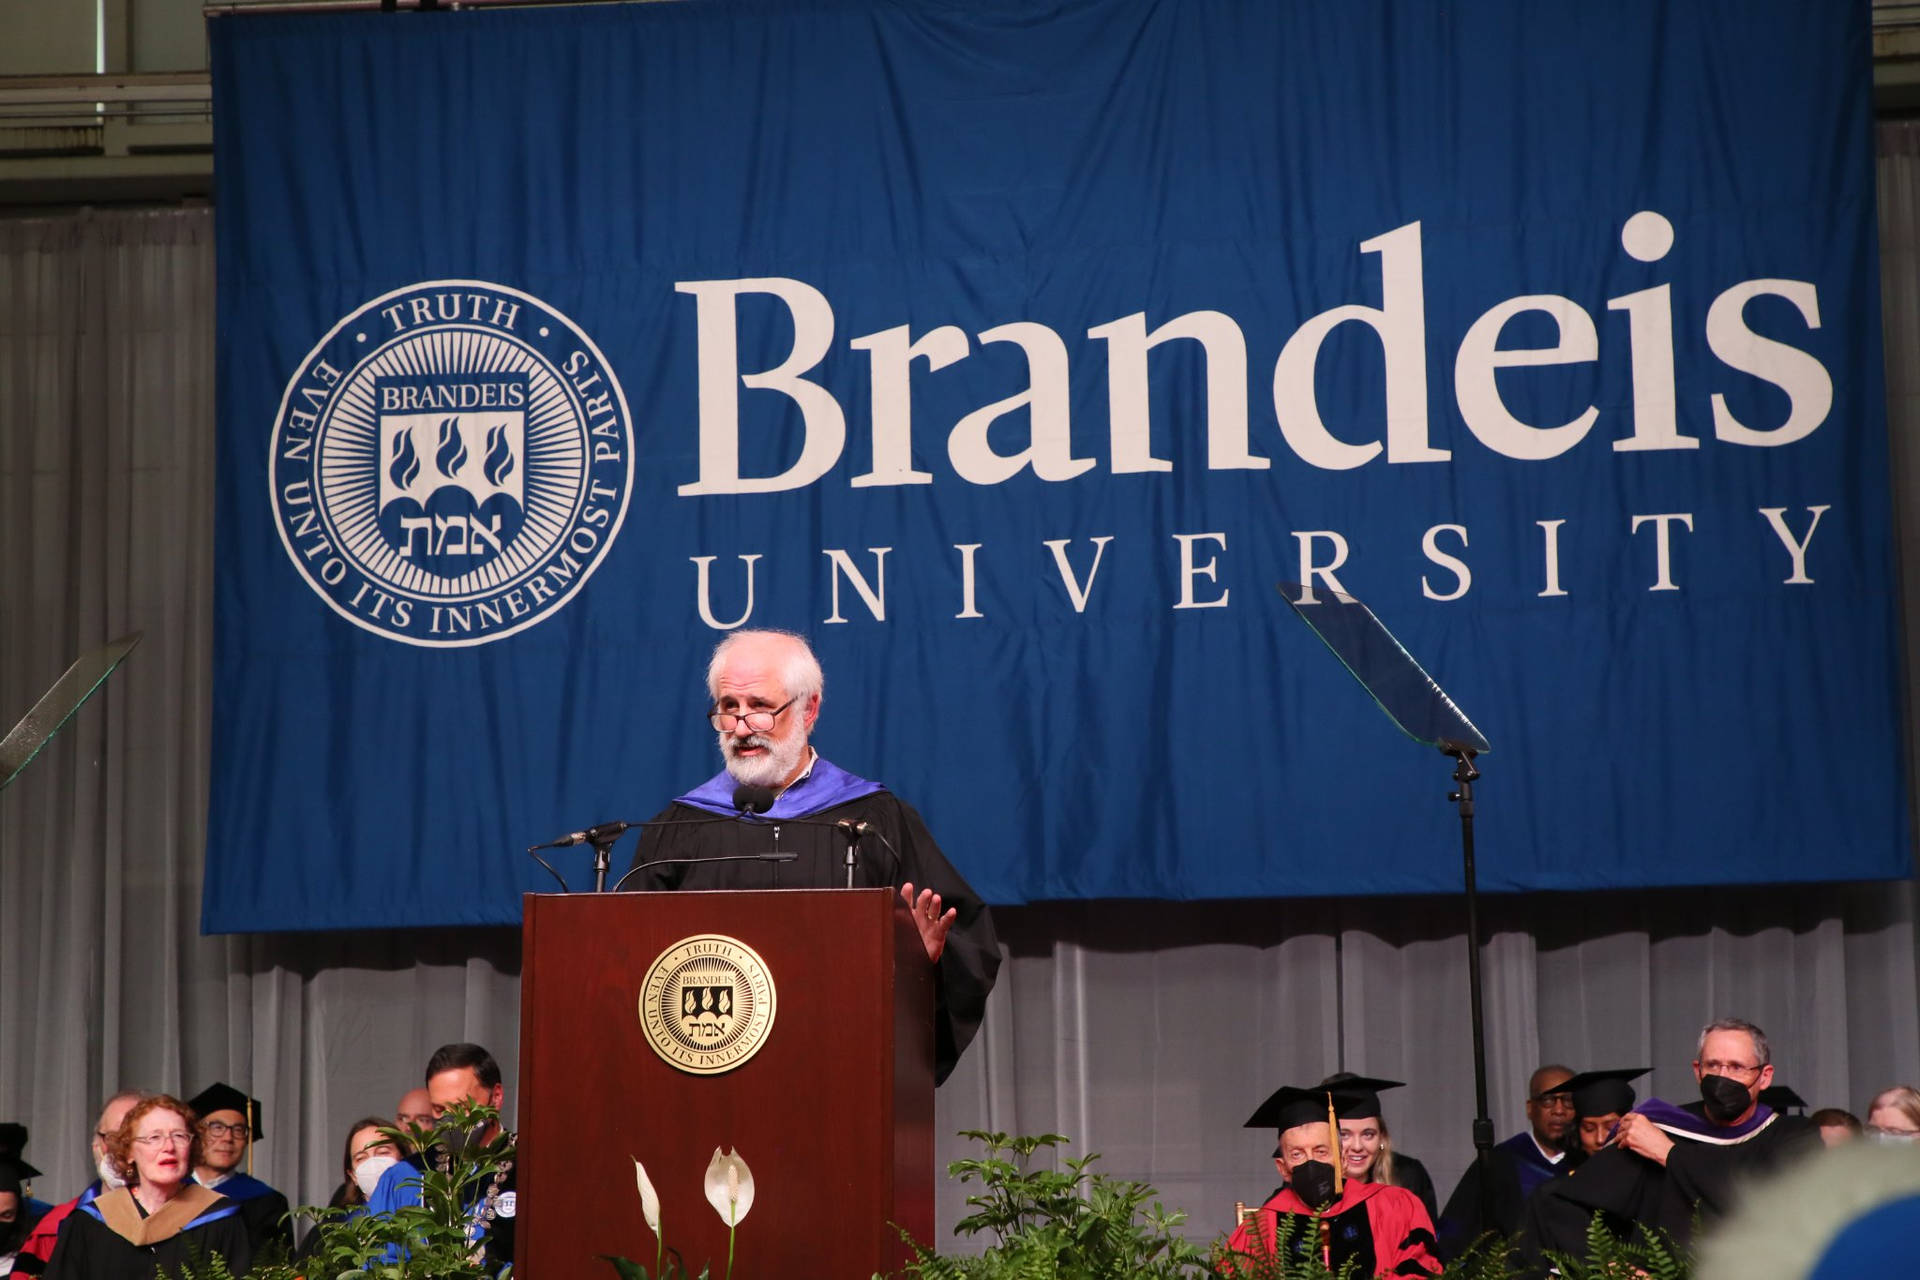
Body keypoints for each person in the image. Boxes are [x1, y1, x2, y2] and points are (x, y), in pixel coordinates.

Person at [624, 629, 1001, 1085]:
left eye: (760, 707)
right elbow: (629, 961)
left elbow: (964, 940)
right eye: (728, 708)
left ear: (810, 710)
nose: (741, 727)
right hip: (705, 1076)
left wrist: (918, 966)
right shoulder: (681, 828)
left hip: (838, 1074)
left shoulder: (873, 819)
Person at [1519, 1017, 1821, 1268]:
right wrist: (1612, 1265)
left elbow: (1763, 1198)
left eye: (1736, 1067)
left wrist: (1669, 1154)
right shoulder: (1662, 1125)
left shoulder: (1793, 1136)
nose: (1722, 1077)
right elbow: (1558, 1202)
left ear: (1765, 1076)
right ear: (1696, 1070)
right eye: (1713, 1065)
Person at [1225, 1083, 1441, 1277]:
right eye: (1297, 1154)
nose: (1311, 1164)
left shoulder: (1394, 1206)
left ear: (1342, 1159)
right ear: (1283, 1168)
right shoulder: (1262, 1228)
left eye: (1321, 1152)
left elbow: (1420, 1268)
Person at [44, 1094, 251, 1280]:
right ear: (130, 1152)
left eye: (179, 1136)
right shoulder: (90, 1222)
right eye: (154, 1137)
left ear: (191, 1147)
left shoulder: (221, 1220)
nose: (168, 1147)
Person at [366, 1044, 515, 1276]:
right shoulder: (406, 1177)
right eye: (438, 1109)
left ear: (495, 1097)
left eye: (460, 1107)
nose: (449, 1119)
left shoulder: (532, 1170)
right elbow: (374, 1263)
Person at [1437, 1063, 1575, 1255]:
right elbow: (1456, 1232)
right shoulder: (1499, 1162)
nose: (1559, 1110)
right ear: (1530, 1108)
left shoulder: (1588, 1163)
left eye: (1568, 1100)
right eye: (1548, 1100)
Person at [21, 1093, 144, 1267]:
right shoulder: (56, 1228)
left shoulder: (185, 1220)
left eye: (136, 1137)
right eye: (114, 1137)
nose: (123, 1148)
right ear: (96, 1146)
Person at [1317, 1074, 1438, 1224]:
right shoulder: (1306, 1182)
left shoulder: (1408, 1176)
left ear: (1381, 1137)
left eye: (1368, 1134)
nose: (1357, 1146)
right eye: (1344, 1135)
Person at [184, 1084, 289, 1254]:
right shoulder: (172, 1194)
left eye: (239, 1130)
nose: (228, 1138)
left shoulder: (267, 1202)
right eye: (217, 1127)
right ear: (196, 1134)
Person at [1561, 1067, 1649, 1155]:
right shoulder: (1567, 1168)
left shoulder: (1654, 1166)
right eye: (1589, 1129)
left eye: (1611, 1127)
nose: (1600, 1139)